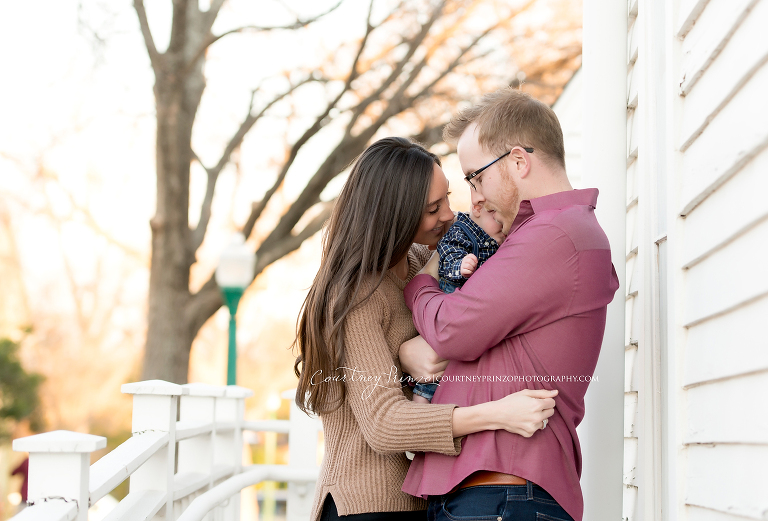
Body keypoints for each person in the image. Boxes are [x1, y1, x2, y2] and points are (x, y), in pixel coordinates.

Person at [293, 136, 560, 521]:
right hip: (367, 504)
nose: (451, 215)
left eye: (448, 198)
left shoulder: (424, 261)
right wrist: (498, 414)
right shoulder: (354, 294)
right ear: (393, 215)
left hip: (426, 498)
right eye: (434, 208)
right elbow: (383, 423)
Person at [399, 88, 620, 521]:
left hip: (500, 495)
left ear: (519, 161)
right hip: (491, 495)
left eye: (475, 177)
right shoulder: (538, 235)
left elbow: (451, 330)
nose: (474, 196)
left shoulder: (555, 235)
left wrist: (418, 286)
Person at [412, 203, 505, 403]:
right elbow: (447, 256)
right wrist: (460, 266)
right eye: (496, 219)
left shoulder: (498, 237)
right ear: (479, 210)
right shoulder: (462, 229)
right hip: (449, 299)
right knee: (436, 352)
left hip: (471, 310)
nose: (502, 226)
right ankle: (421, 396)